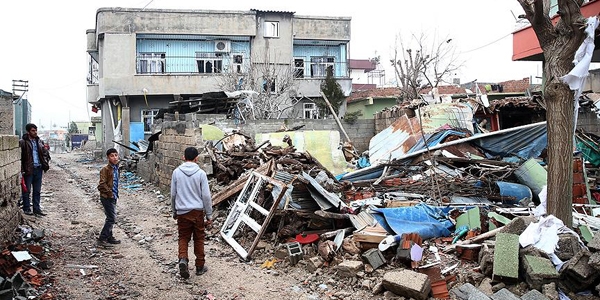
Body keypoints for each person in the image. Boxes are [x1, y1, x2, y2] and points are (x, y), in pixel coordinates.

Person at [171, 147, 213, 279]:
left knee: (183, 237)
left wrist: (174, 211)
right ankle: (200, 266)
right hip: (197, 212)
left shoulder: (176, 172)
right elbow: (206, 196)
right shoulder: (201, 173)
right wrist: (209, 215)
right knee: (199, 238)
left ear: (184, 157)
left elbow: (173, 194)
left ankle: (183, 259)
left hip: (182, 212)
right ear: (196, 158)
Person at [20, 123, 50, 216]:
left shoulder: (39, 141)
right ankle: (27, 208)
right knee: (26, 190)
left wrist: (45, 163)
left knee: (37, 191)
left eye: (36, 130)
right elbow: (20, 157)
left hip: (38, 169)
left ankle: (37, 209)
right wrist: (22, 170)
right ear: (28, 131)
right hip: (28, 170)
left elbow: (45, 154)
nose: (35, 132)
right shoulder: (23, 142)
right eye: (33, 130)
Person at [97, 148, 121, 248]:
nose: (115, 157)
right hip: (107, 197)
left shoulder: (116, 168)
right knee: (111, 218)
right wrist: (110, 193)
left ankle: (109, 237)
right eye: (112, 156)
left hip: (113, 196)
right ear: (108, 157)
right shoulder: (105, 170)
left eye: (116, 155)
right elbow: (101, 185)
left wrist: (114, 194)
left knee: (110, 217)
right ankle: (102, 238)